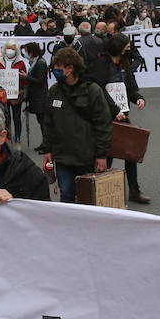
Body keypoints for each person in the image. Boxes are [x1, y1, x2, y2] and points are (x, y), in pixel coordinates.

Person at [39, 46, 112, 204]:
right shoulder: (54, 91)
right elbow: (48, 123)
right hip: (62, 157)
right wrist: (47, 150)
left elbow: (103, 124)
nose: (54, 70)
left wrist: (101, 155)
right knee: (66, 194)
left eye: (58, 67)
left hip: (86, 156)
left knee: (88, 197)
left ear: (70, 68)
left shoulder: (92, 90)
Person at [89, 33, 150, 204]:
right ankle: (102, 191)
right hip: (106, 117)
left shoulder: (125, 64)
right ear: (118, 48)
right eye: (126, 47)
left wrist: (138, 97)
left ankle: (134, 191)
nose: (128, 49)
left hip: (123, 115)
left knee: (131, 153)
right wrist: (114, 110)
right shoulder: (101, 64)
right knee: (106, 155)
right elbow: (99, 90)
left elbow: (130, 87)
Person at [0, 39, 28, 138]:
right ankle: (7, 137)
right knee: (5, 118)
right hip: (2, 95)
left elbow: (24, 79)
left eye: (12, 49)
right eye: (8, 48)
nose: (10, 50)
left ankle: (18, 137)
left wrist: (22, 87)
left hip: (16, 94)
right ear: (5, 49)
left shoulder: (20, 63)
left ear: (16, 50)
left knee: (16, 117)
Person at [21, 42, 49, 148]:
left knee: (43, 123)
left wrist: (26, 77)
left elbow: (40, 80)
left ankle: (47, 144)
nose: (26, 53)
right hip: (35, 96)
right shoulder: (34, 62)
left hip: (40, 97)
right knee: (41, 121)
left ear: (32, 52)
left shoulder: (40, 63)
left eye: (27, 51)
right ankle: (44, 143)